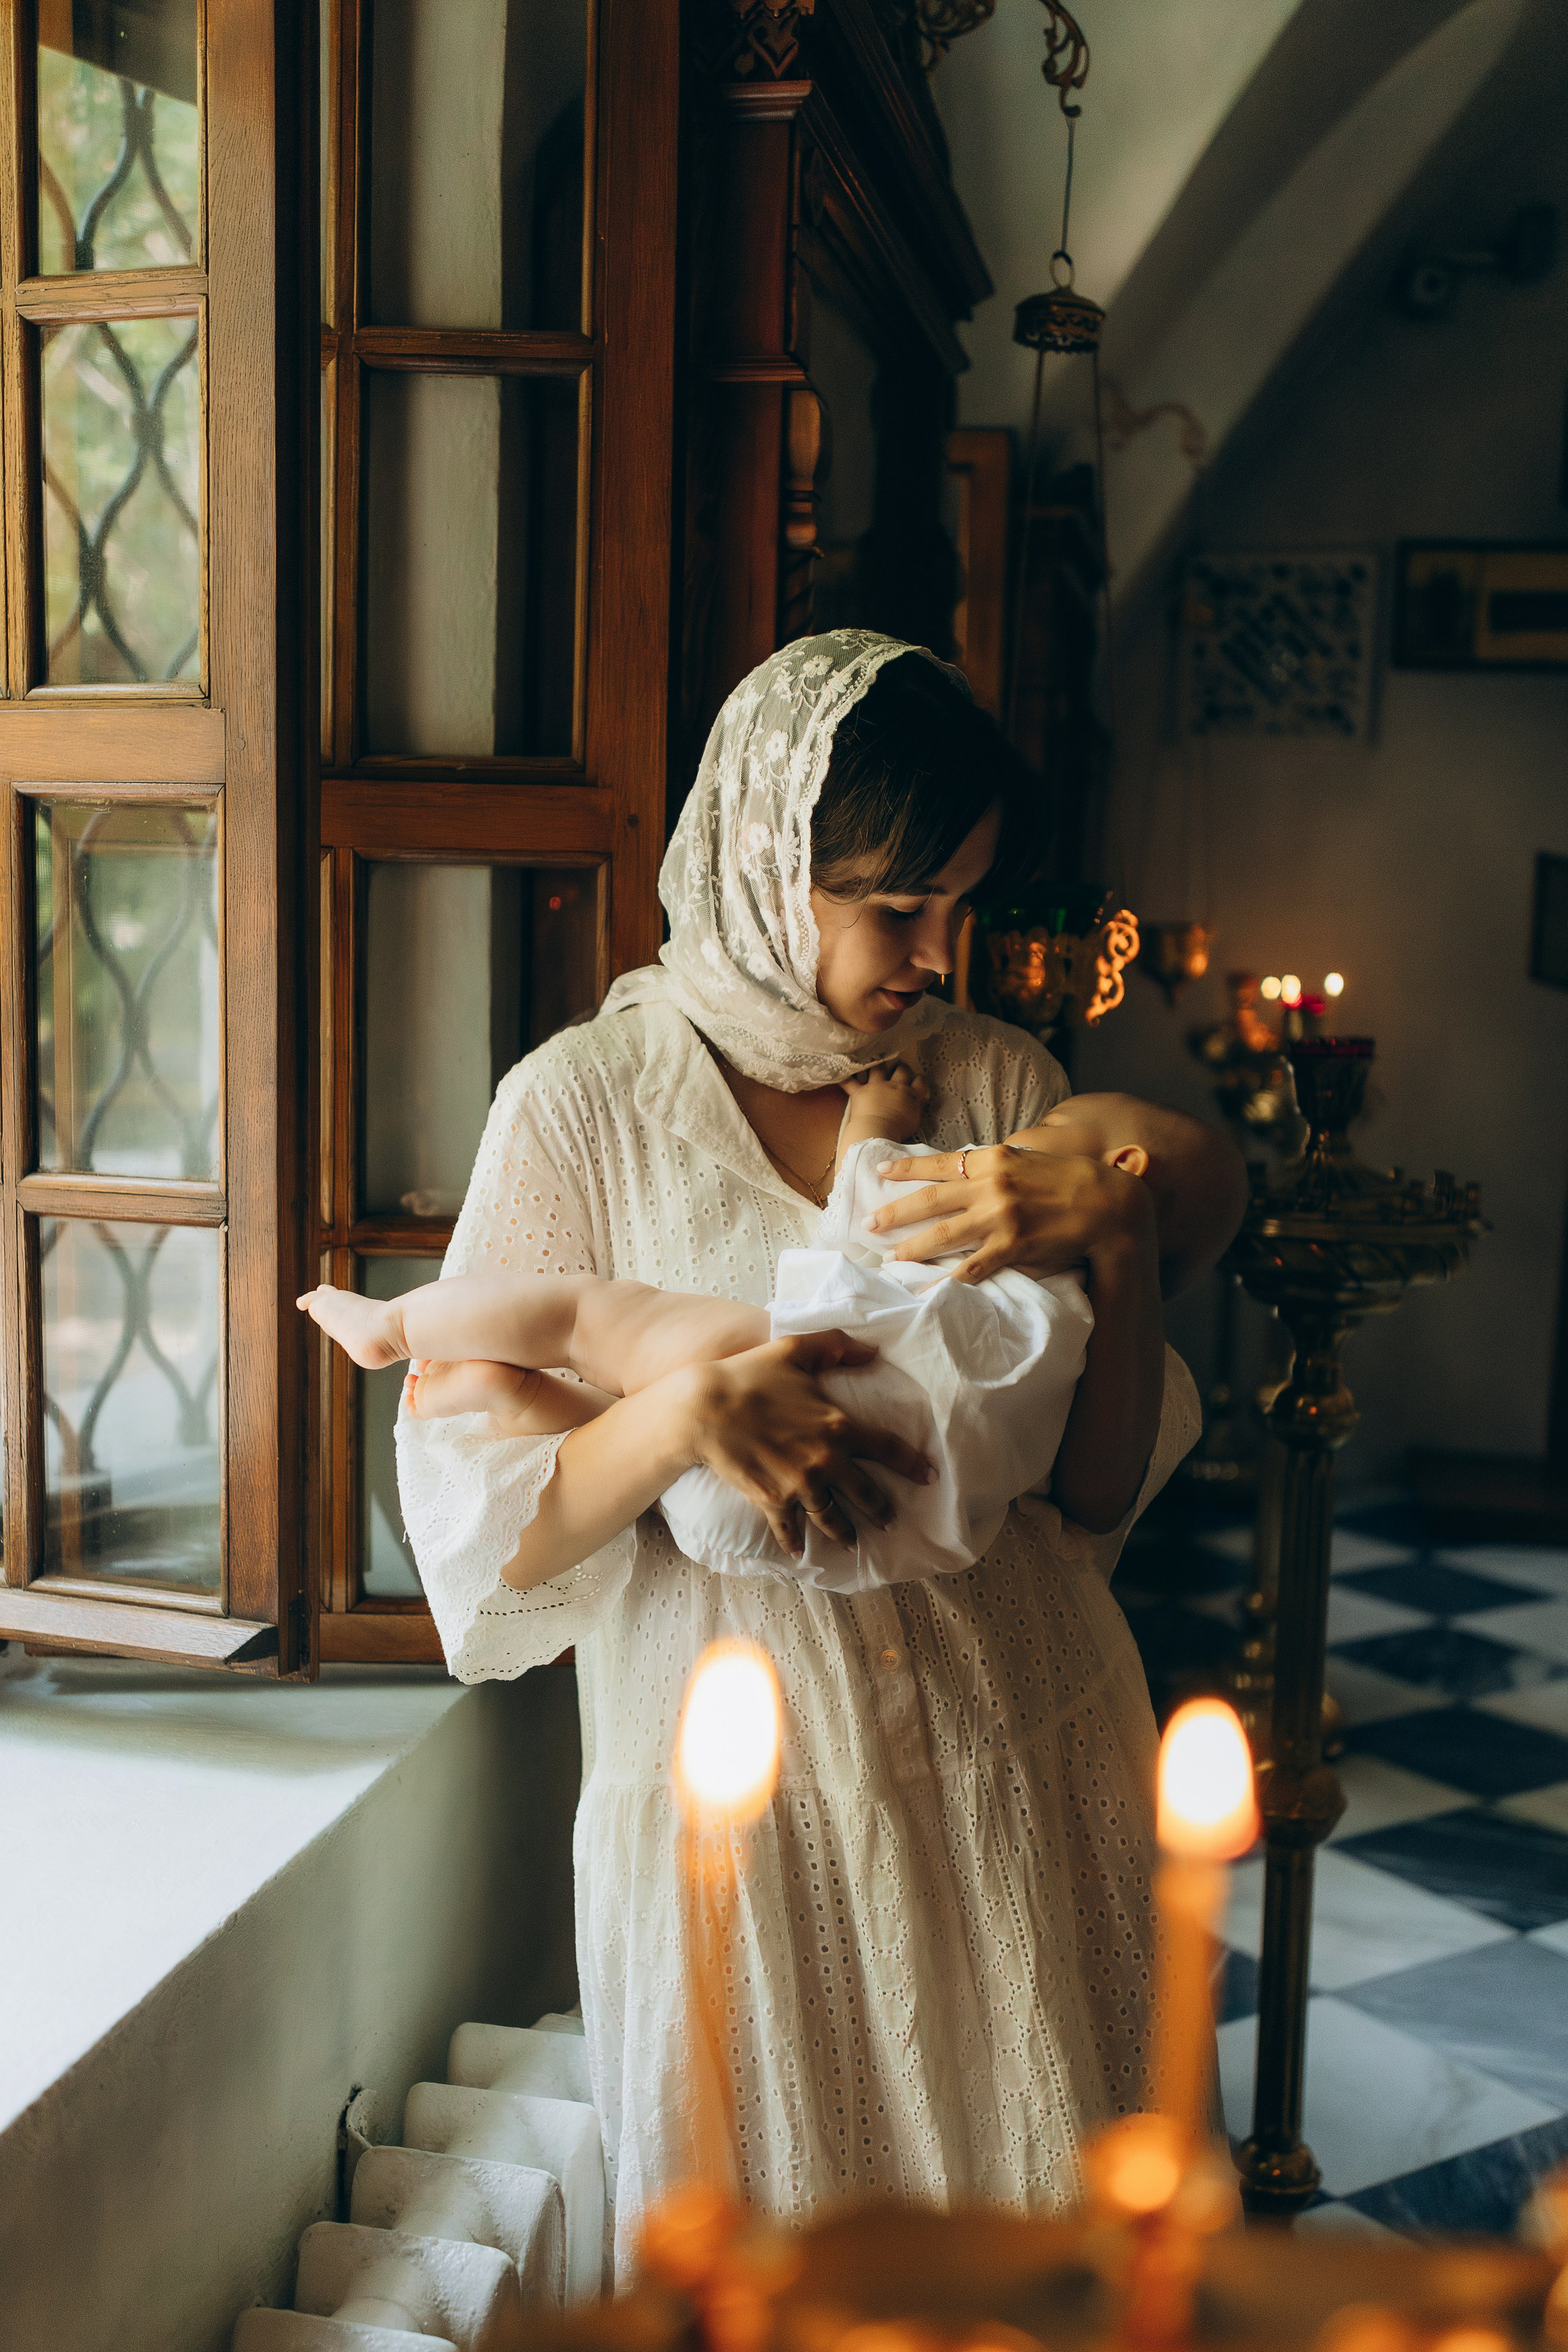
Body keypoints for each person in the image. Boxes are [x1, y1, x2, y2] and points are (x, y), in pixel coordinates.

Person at [394, 630, 1226, 2274]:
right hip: (744, 1837)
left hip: (1018, 1760)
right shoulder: (581, 1108)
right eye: (893, 908)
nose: (936, 951)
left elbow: (1093, 1494)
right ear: (769, 854)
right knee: (764, 2282)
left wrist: (1120, 1250)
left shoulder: (992, 1080)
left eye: (964, 905)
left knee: (1046, 2277)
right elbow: (494, 1535)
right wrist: (688, 1413)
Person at [301, 1079, 1242, 1594]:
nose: (1023, 1133)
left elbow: (868, 1215)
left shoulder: (997, 1205)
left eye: (1055, 1126)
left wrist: (871, 1128)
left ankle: (389, 1326)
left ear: (1122, 1171)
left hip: (802, 1446)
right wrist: (685, 1414)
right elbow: (501, 1554)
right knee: (654, 1422)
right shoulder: (1084, 1338)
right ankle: (518, 1397)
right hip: (856, 1542)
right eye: (901, 908)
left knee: (588, 1315)